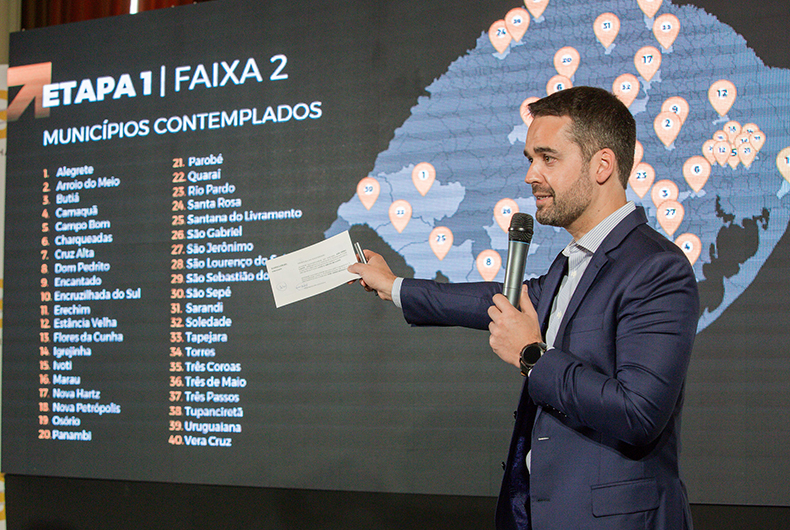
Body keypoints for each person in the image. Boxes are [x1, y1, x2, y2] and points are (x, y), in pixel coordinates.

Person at [349, 86, 699, 530]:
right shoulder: (574, 261)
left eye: (547, 158)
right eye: (531, 159)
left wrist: (532, 355)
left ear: (603, 165)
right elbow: (498, 299)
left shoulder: (656, 266)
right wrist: (393, 285)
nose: (532, 175)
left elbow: (638, 413)